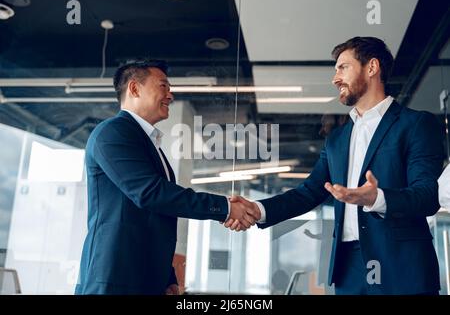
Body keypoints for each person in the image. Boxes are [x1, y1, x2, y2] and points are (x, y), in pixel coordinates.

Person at [226, 37, 444, 295]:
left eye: (343, 68)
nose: (335, 78)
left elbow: (428, 196)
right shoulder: (337, 139)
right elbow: (309, 192)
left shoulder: (416, 125)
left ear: (371, 67)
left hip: (402, 268)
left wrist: (378, 198)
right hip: (348, 268)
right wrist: (258, 209)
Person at [75, 59, 260, 295]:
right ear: (134, 88)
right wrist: (224, 208)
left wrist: (168, 277)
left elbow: (157, 216)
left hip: (145, 280)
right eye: (163, 86)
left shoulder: (149, 144)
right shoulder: (112, 133)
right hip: (114, 279)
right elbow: (151, 194)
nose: (170, 96)